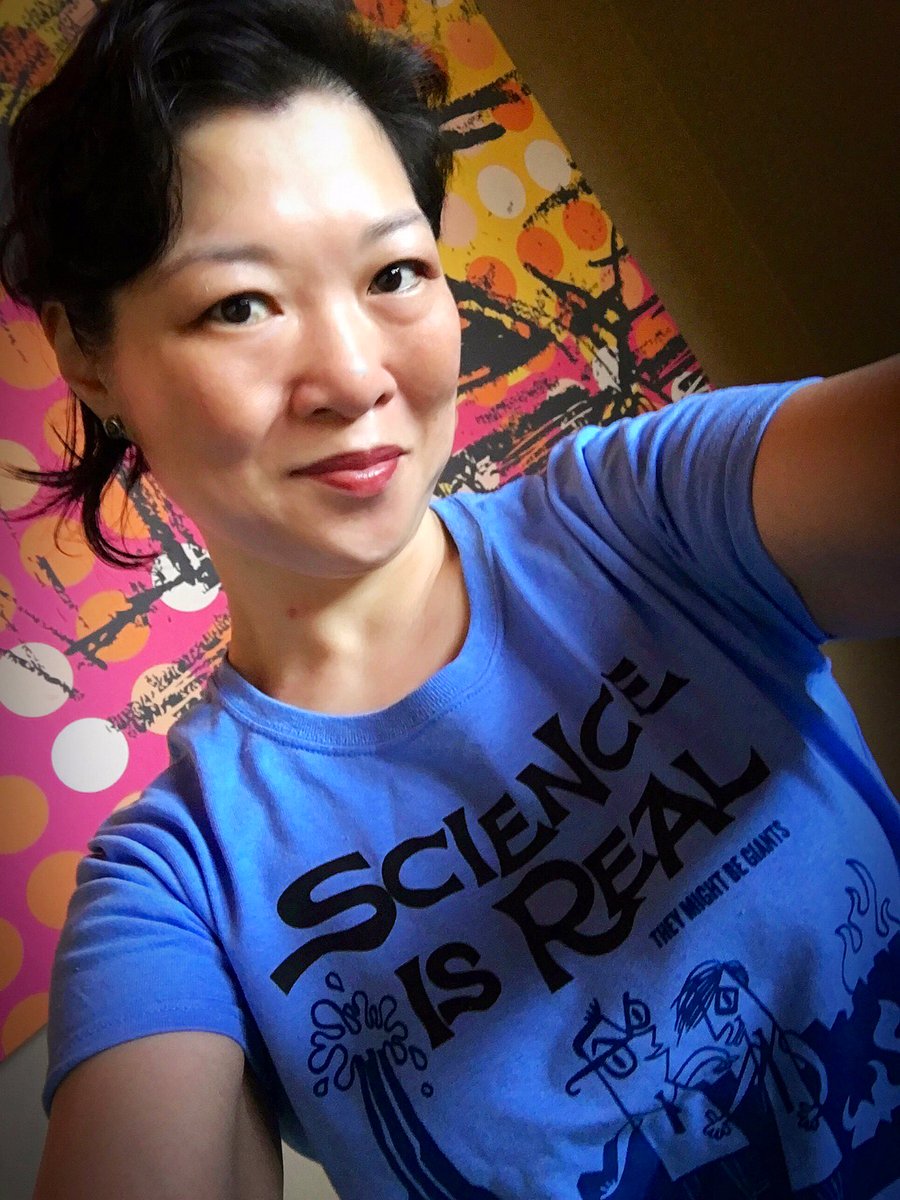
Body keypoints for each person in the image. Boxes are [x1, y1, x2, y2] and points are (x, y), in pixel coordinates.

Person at [1, 1, 897, 1197]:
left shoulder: (646, 517)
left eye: (394, 273)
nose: (355, 376)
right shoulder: (178, 884)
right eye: (240, 304)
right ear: (89, 354)